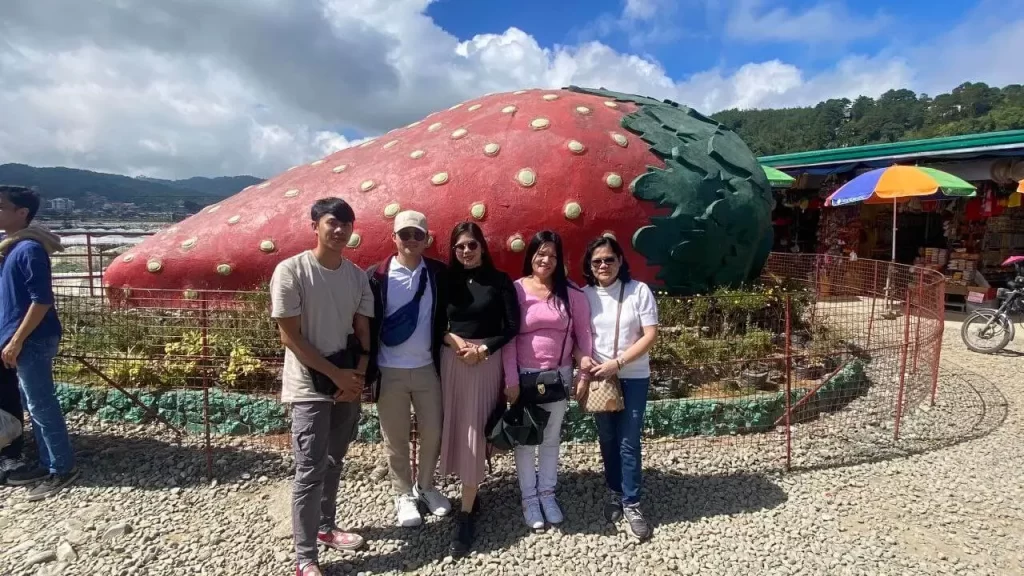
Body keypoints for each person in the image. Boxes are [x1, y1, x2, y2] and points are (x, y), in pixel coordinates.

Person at [270, 197, 372, 576]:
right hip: (310, 387)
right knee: (309, 468)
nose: (340, 229)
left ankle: (326, 528)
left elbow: (363, 333)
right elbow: (289, 338)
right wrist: (337, 377)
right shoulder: (291, 271)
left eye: (347, 223)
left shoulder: (357, 276)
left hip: (346, 384)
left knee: (334, 461)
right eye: (333, 222)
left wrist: (356, 378)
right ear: (315, 225)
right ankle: (305, 557)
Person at [501, 230, 594, 529]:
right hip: (526, 377)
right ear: (531, 256)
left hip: (558, 375)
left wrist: (583, 375)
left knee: (551, 439)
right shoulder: (516, 290)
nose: (546, 259)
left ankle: (547, 493)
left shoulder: (572, 293)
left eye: (552, 255)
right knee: (526, 440)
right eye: (541, 253)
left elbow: (585, 336)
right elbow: (509, 339)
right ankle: (529, 499)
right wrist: (511, 379)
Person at [366, 210, 451, 527]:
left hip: (428, 367)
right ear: (394, 238)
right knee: (396, 438)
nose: (411, 240)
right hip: (390, 370)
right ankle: (403, 494)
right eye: (405, 234)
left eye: (418, 234)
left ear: (426, 239)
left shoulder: (439, 274)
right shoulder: (376, 276)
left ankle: (425, 486)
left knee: (434, 433)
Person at [440, 222, 519, 554]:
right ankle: (467, 492)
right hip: (452, 361)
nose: (466, 252)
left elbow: (512, 326)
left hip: (484, 364)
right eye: (459, 247)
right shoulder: (446, 280)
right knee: (455, 428)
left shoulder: (499, 282)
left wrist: (482, 350)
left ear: (482, 247)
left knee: (474, 432)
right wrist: (458, 342)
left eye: (471, 245)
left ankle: (467, 511)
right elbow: (436, 325)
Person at [0, 185, 76, 500]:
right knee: (35, 404)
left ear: (22, 212)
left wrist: (16, 340)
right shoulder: (13, 247)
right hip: (22, 340)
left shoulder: (28, 249)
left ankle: (62, 468)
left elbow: (41, 300)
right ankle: (49, 463)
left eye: (2, 206)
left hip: (31, 340)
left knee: (42, 405)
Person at [580, 235, 659, 541]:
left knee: (629, 440)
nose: (603, 265)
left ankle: (632, 501)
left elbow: (650, 335)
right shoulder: (584, 294)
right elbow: (579, 337)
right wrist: (585, 362)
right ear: (590, 265)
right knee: (607, 437)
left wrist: (620, 362)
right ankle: (615, 489)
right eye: (597, 261)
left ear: (620, 261)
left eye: (609, 259)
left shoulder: (639, 291)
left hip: (633, 375)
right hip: (600, 378)